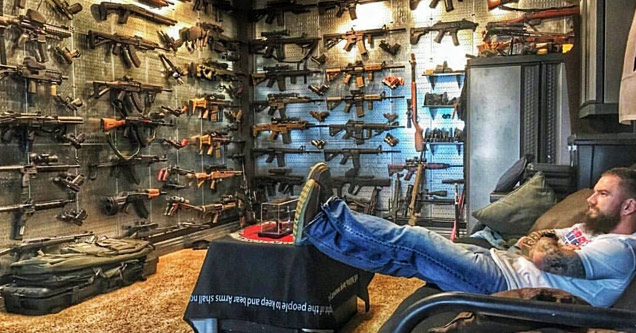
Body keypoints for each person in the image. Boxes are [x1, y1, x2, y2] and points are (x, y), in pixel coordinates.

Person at [293, 163, 636, 307]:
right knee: (406, 257)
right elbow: (534, 241)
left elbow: (543, 253)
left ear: (629, 207)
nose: (590, 199)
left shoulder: (619, 249)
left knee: (416, 241)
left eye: (603, 195)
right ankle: (319, 231)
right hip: (499, 263)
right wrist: (544, 243)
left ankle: (331, 213)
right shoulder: (591, 229)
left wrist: (545, 246)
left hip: (502, 285)